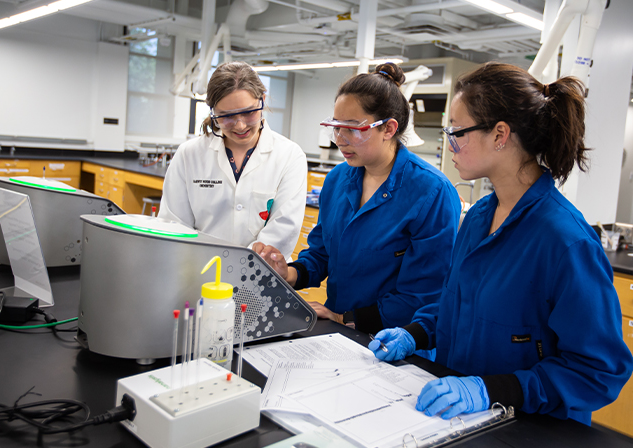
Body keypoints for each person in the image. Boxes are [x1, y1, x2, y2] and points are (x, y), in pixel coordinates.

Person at [369, 62, 633, 425]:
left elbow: (599, 370)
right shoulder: (479, 217)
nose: (451, 145)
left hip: (529, 429)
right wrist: (415, 333)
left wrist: (493, 391)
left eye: (457, 132)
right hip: (454, 417)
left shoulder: (566, 242)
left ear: (500, 135)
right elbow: (456, 304)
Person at [254, 63, 461, 334]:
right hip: (338, 329)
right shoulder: (338, 180)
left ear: (388, 128)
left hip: (397, 340)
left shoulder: (431, 192)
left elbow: (423, 294)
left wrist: (345, 319)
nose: (340, 139)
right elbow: (322, 253)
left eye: (352, 128)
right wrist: (289, 273)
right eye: (336, 127)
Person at [159, 61, 307, 258]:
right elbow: (174, 224)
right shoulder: (189, 154)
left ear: (262, 100)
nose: (240, 125)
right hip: (200, 271)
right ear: (213, 113)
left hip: (260, 274)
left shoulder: (289, 155)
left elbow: (283, 229)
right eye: (227, 116)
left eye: (248, 112)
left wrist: (239, 268)